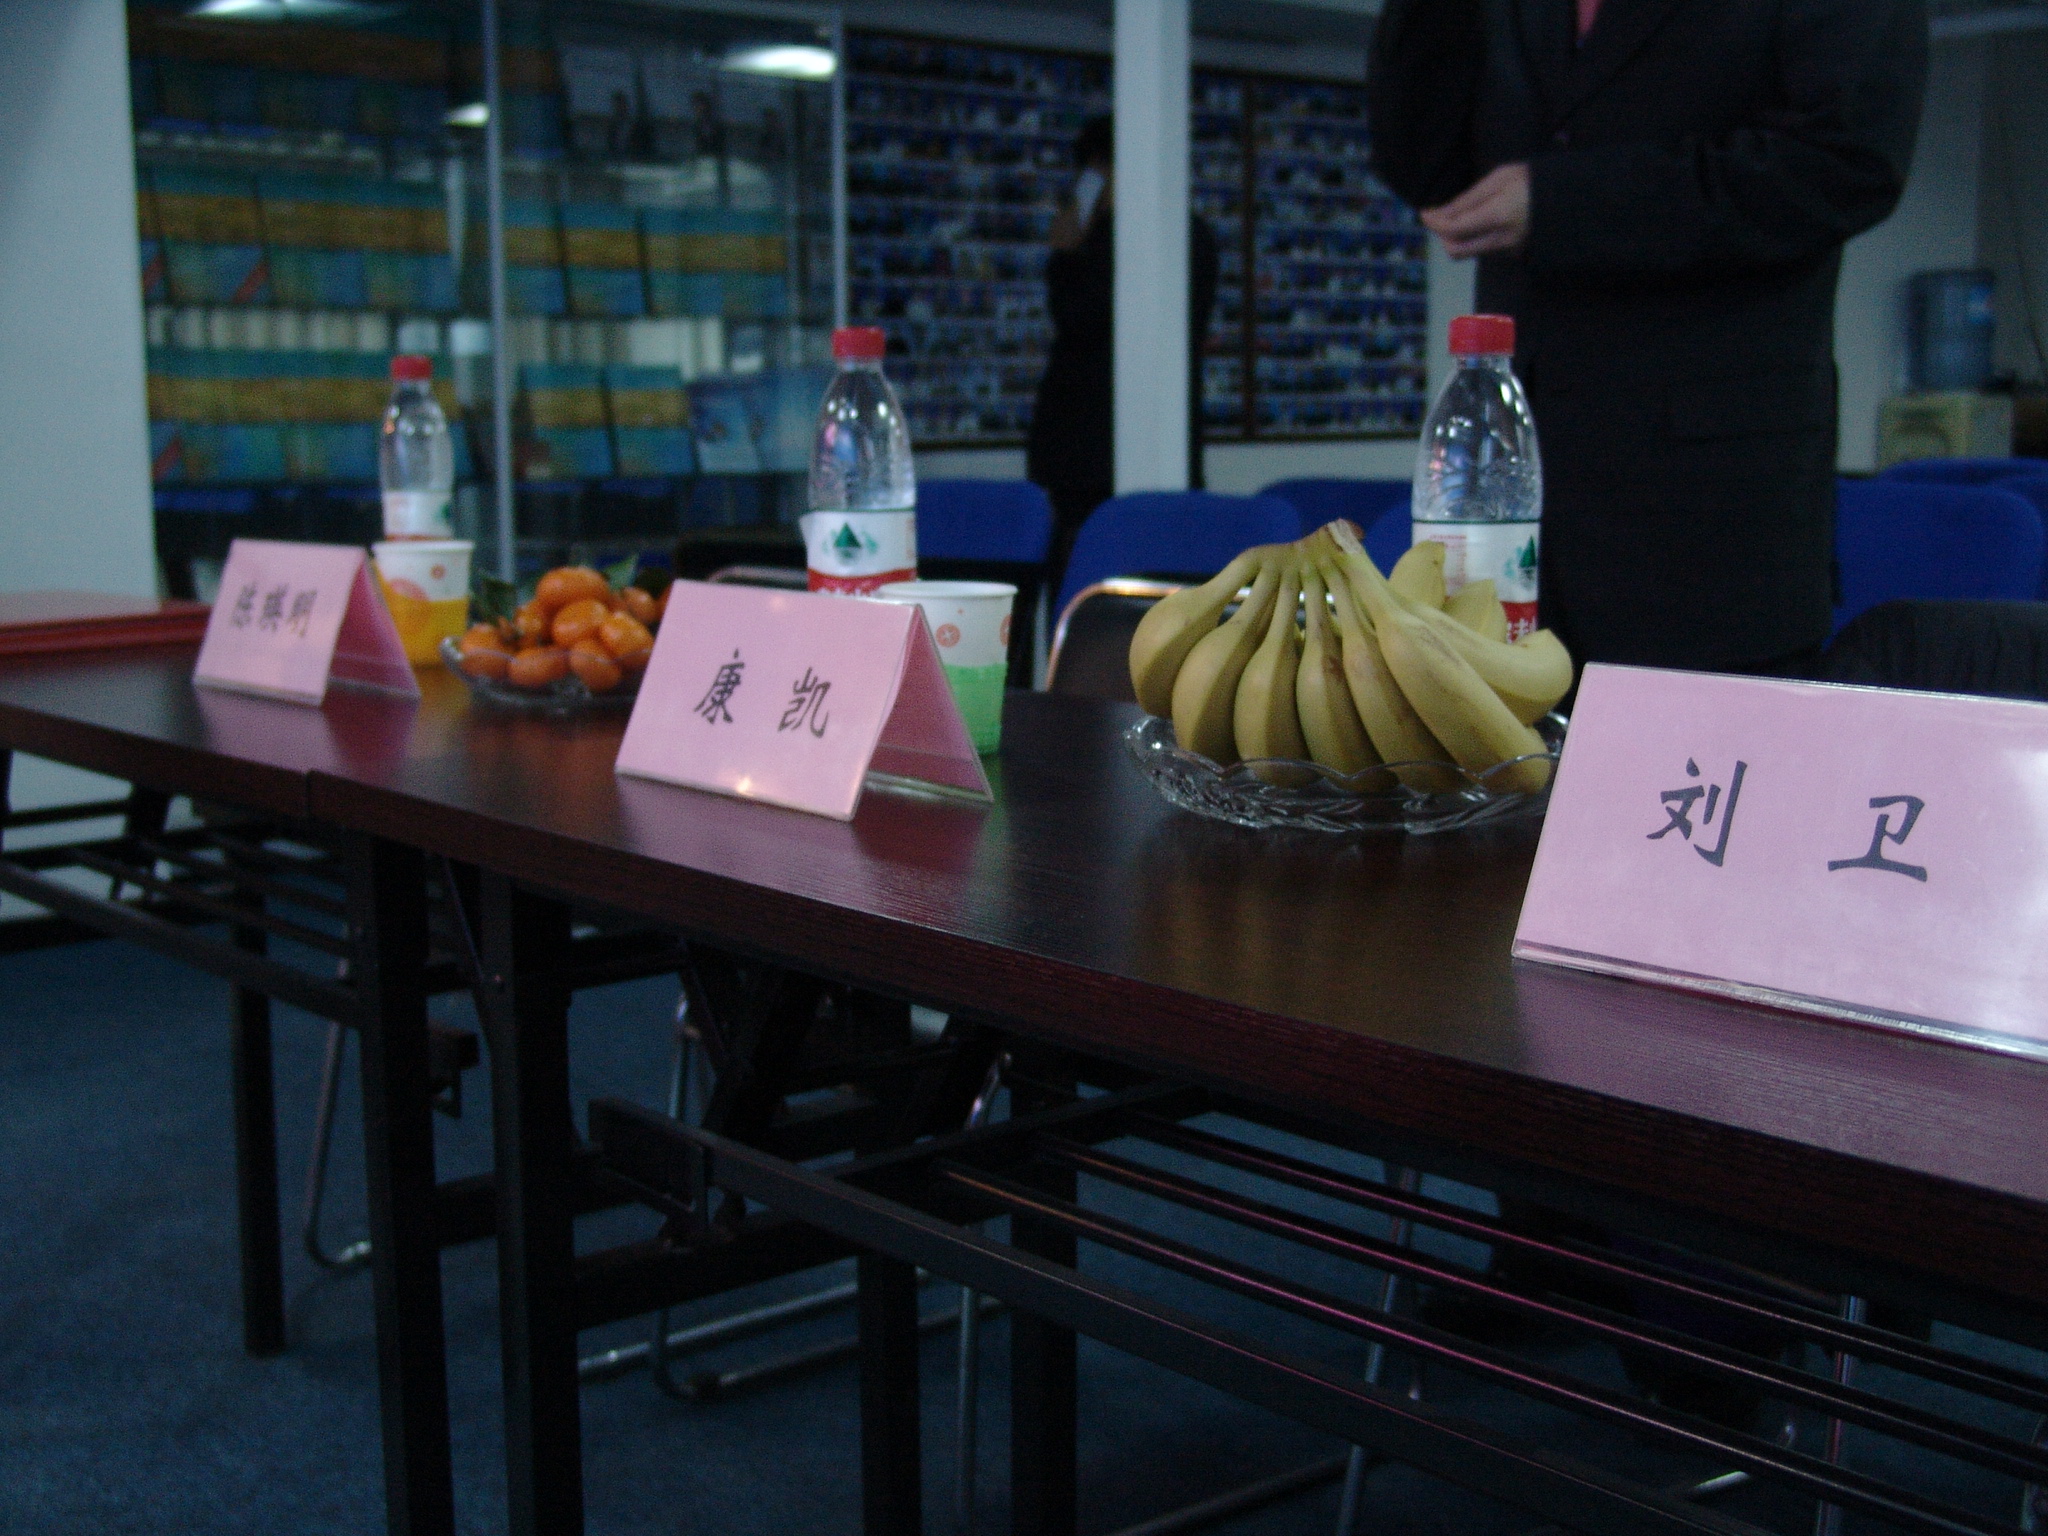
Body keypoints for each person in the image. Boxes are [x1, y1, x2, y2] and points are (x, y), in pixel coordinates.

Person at [1367, 0, 1928, 675]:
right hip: (1518, 505)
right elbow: (1427, 169)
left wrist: (1568, 203)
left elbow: (1848, 160)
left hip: (1708, 521)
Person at [1027, 114, 1221, 598]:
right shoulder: (1190, 235)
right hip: (1126, 450)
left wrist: (1067, 253)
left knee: (1095, 585)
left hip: (1092, 454)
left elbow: (1079, 318)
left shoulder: (1116, 241)